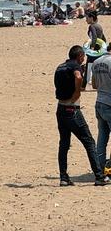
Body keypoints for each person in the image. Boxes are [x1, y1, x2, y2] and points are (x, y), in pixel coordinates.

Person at [54, 45, 108, 186]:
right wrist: (77, 92)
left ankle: (64, 178)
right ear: (79, 57)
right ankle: (99, 176)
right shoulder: (75, 67)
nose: (84, 58)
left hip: (60, 108)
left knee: (64, 144)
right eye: (83, 56)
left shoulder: (60, 66)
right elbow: (78, 77)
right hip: (72, 110)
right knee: (89, 142)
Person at [92, 44, 111, 172]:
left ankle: (100, 169)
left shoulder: (96, 62)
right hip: (110, 103)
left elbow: (93, 85)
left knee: (102, 138)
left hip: (99, 102)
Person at [85, 11, 106, 89]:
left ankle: (83, 86)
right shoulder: (99, 26)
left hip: (94, 49)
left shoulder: (92, 26)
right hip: (100, 49)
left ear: (91, 18)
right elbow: (103, 38)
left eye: (87, 18)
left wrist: (92, 48)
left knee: (88, 66)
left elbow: (94, 37)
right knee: (99, 66)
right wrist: (104, 47)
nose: (86, 20)